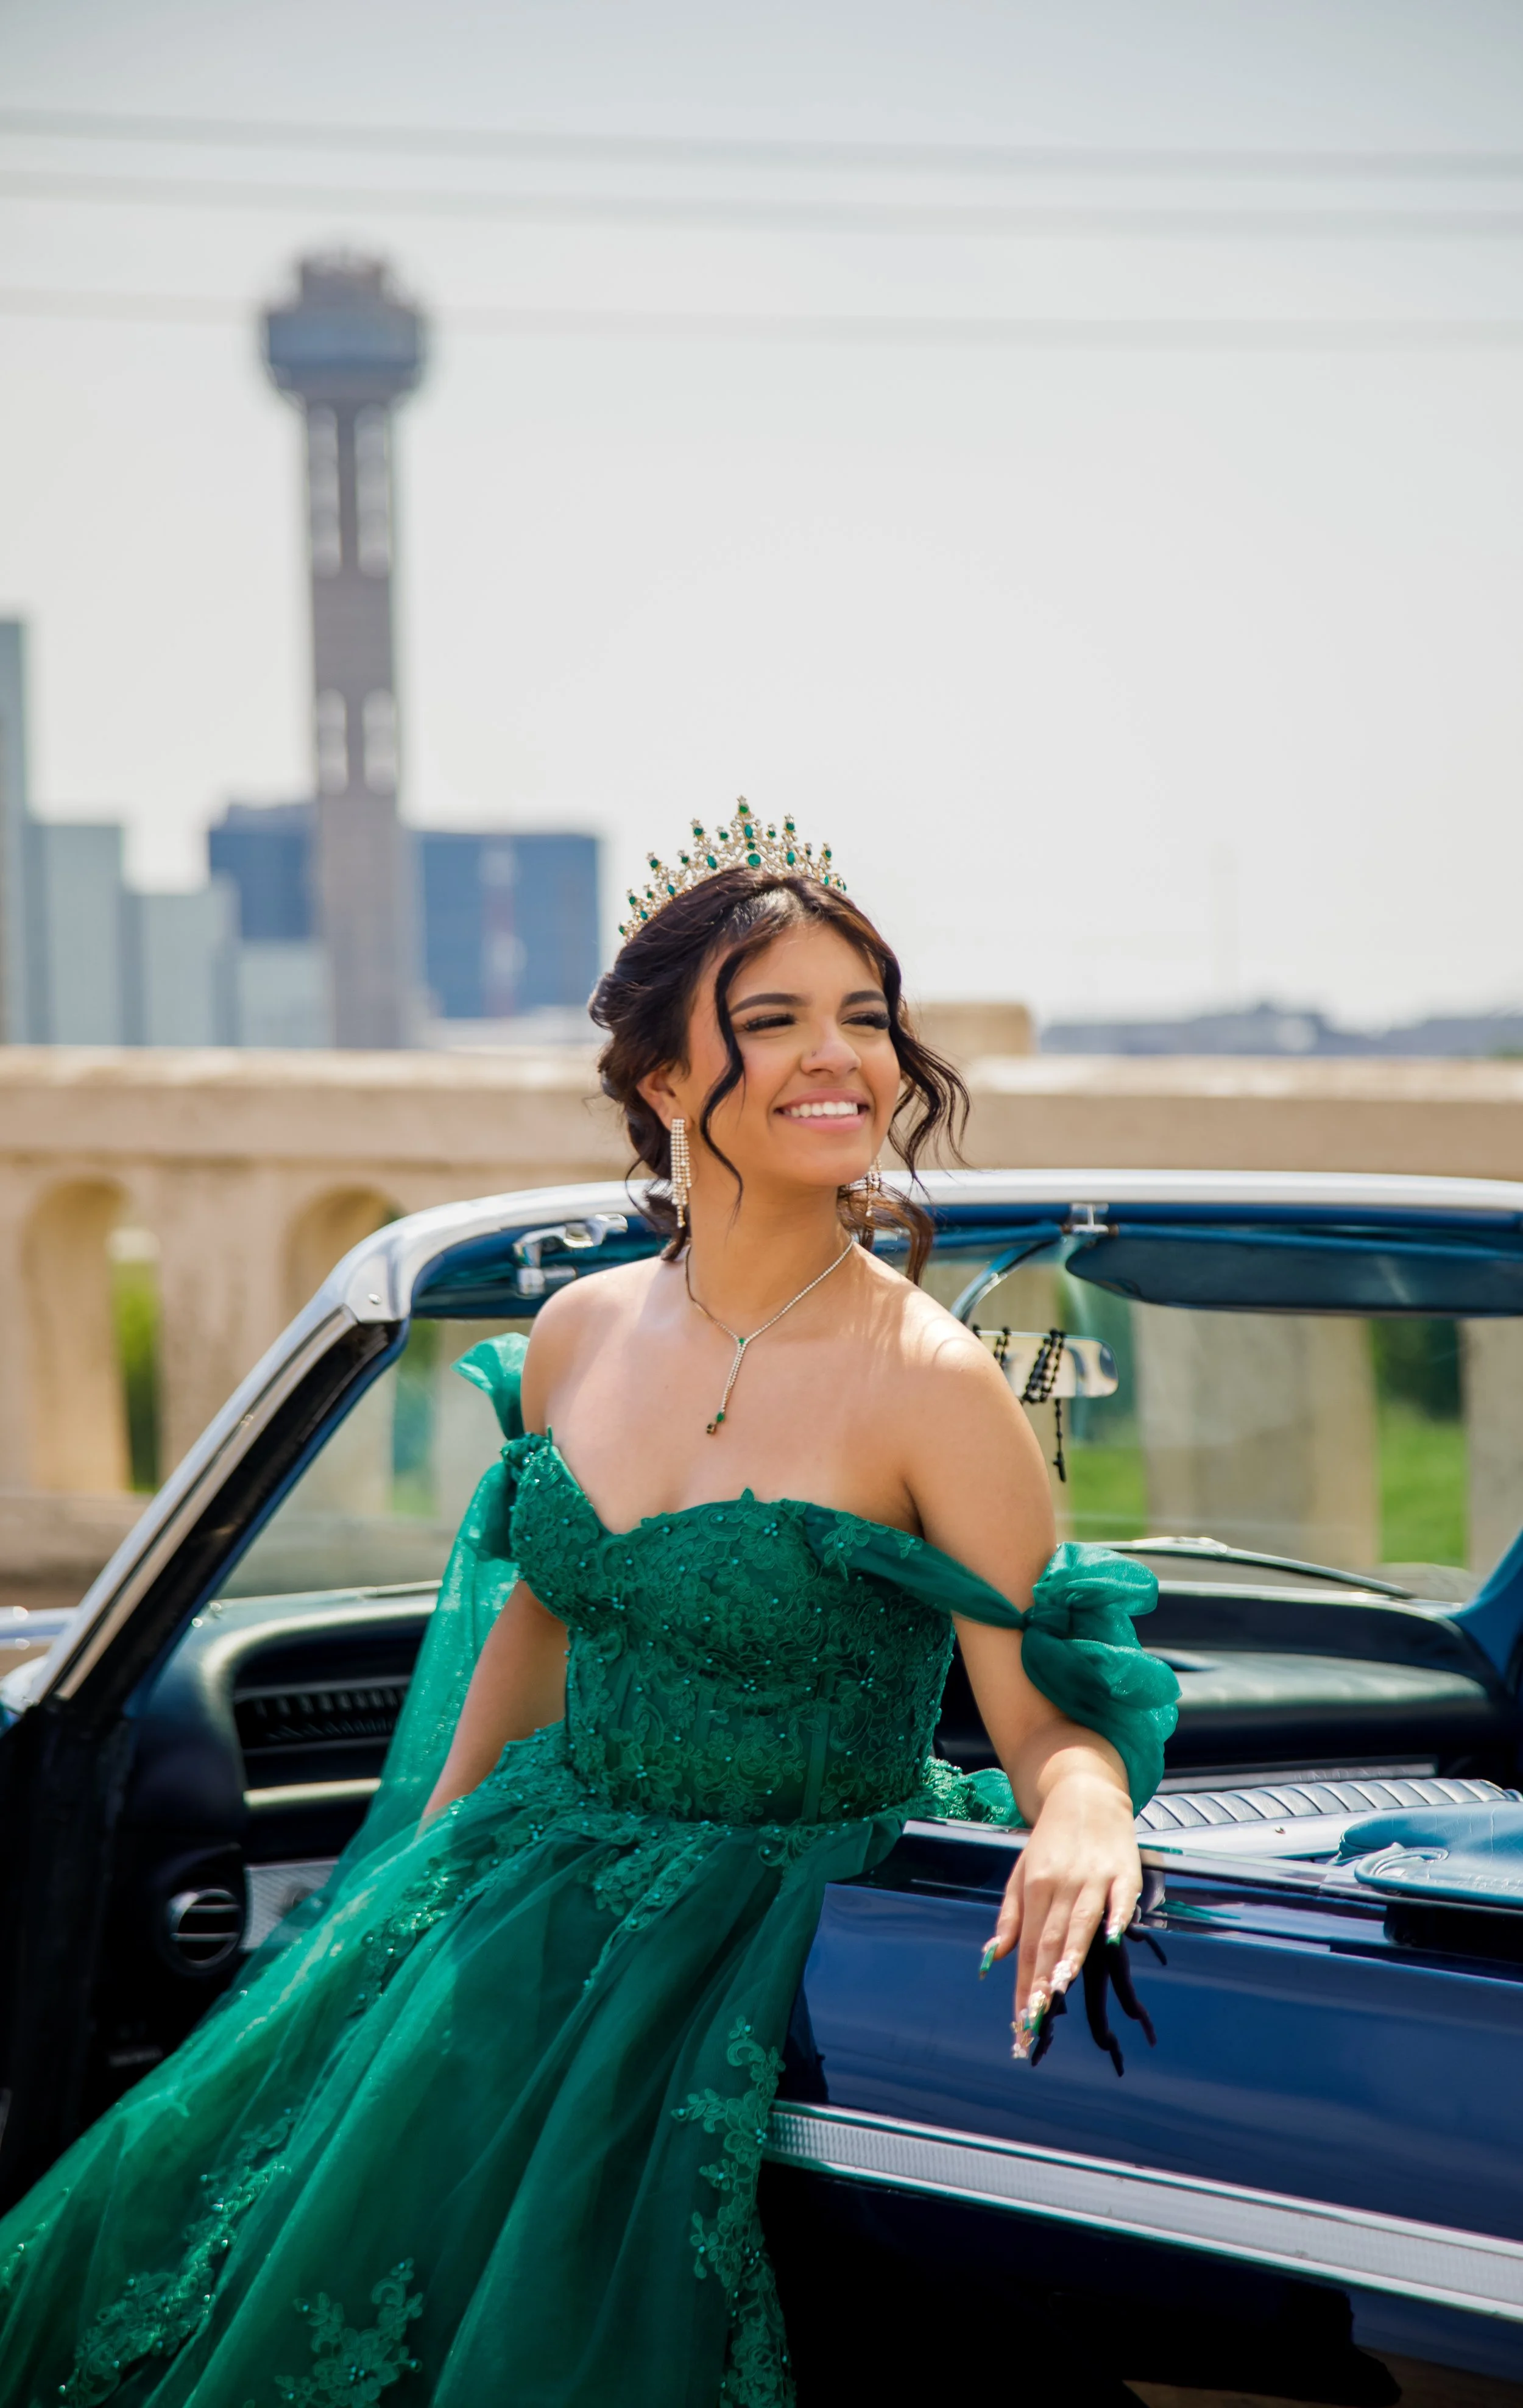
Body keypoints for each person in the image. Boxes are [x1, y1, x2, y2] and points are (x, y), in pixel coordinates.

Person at [0, 810, 1178, 2407]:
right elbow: (540, 1623)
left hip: (752, 1929)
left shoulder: (933, 1386)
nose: (838, 1058)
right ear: (664, 1083)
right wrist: (408, 1889)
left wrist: (1088, 1816)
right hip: (515, 1886)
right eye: (772, 1021)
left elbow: (1040, 1706)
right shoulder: (574, 1329)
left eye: (862, 1016)